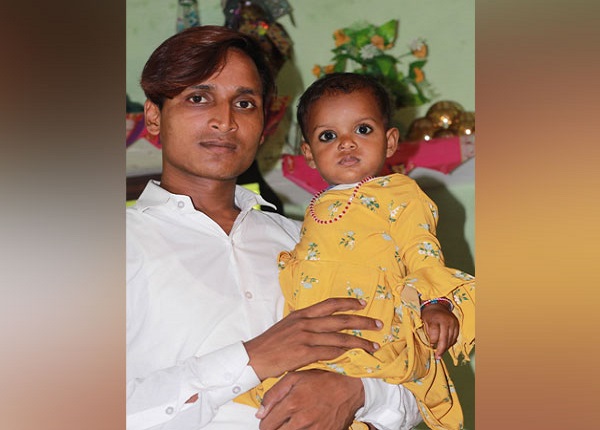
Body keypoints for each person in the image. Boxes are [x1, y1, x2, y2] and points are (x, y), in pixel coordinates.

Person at [127, 26, 432, 430]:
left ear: (264, 123)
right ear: (153, 116)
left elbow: (417, 380)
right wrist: (252, 359)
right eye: (199, 98)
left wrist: (357, 392)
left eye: (245, 103)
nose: (225, 120)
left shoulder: (308, 238)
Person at [235, 73, 475, 430]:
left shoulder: (400, 193)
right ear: (309, 154)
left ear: (390, 140)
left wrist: (434, 303)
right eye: (328, 136)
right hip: (315, 339)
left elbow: (421, 251)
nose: (346, 144)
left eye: (362, 130)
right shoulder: (311, 212)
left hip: (371, 328)